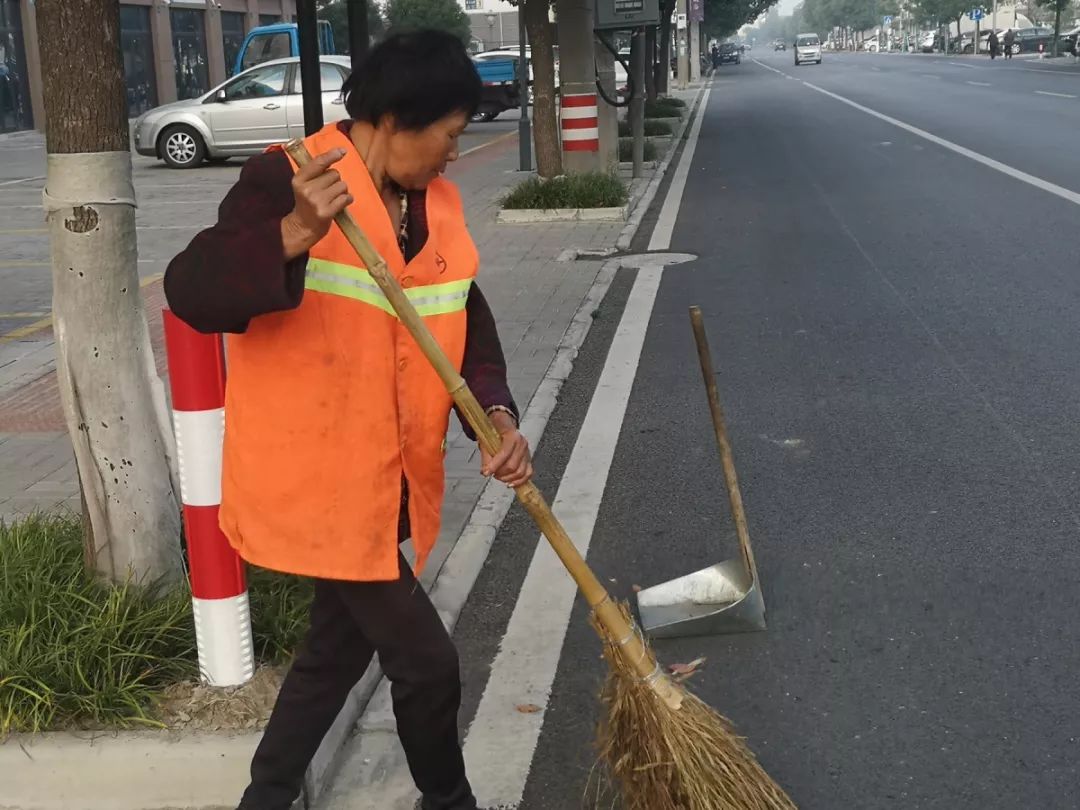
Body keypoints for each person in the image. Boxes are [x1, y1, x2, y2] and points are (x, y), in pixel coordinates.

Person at [164, 29, 533, 810]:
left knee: (331, 658)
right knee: (428, 664)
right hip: (317, 488)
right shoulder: (284, 179)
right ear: (396, 120)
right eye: (448, 137)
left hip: (385, 483)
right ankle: (450, 801)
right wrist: (295, 231)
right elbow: (191, 291)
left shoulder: (435, 203)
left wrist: (494, 413)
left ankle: (264, 798)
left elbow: (464, 317)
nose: (452, 156)